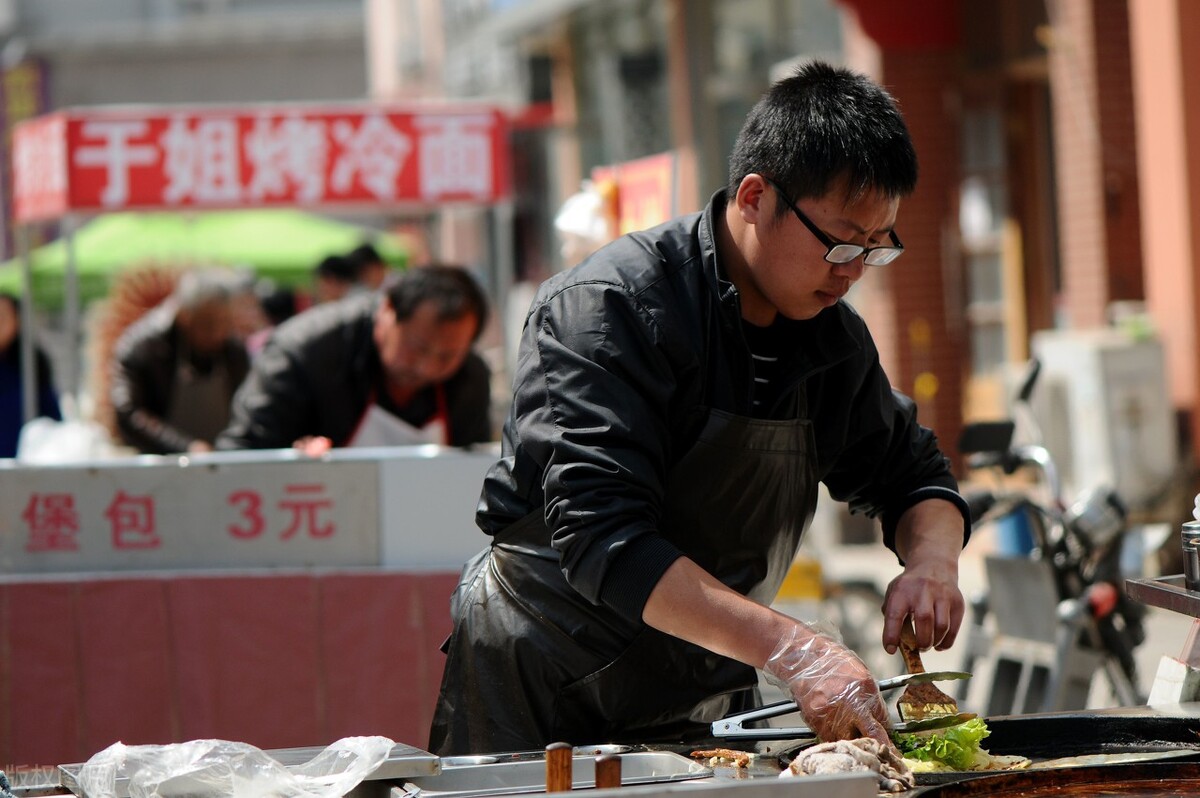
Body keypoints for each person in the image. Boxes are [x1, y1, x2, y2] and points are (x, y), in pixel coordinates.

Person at [430, 62, 971, 756]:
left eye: (876, 247)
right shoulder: (609, 308)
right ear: (754, 197)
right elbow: (605, 538)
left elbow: (912, 472)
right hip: (546, 684)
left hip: (704, 678)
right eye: (840, 242)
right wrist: (794, 650)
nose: (853, 270)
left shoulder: (828, 334)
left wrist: (933, 564)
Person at [215, 264, 492, 453]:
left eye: (447, 356)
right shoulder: (303, 352)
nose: (426, 367)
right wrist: (291, 460)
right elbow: (241, 456)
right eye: (416, 348)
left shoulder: (471, 376)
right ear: (387, 311)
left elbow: (473, 468)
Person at [110, 269, 250, 454]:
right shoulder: (144, 348)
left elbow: (248, 408)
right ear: (184, 316)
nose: (217, 333)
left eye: (224, 323)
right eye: (207, 324)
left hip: (222, 463)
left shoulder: (233, 351)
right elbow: (128, 414)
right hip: (159, 465)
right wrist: (184, 447)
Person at [0, 293, 61, 457]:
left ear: (17, 321)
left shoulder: (32, 363)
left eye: (3, 317)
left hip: (24, 464)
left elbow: (53, 416)